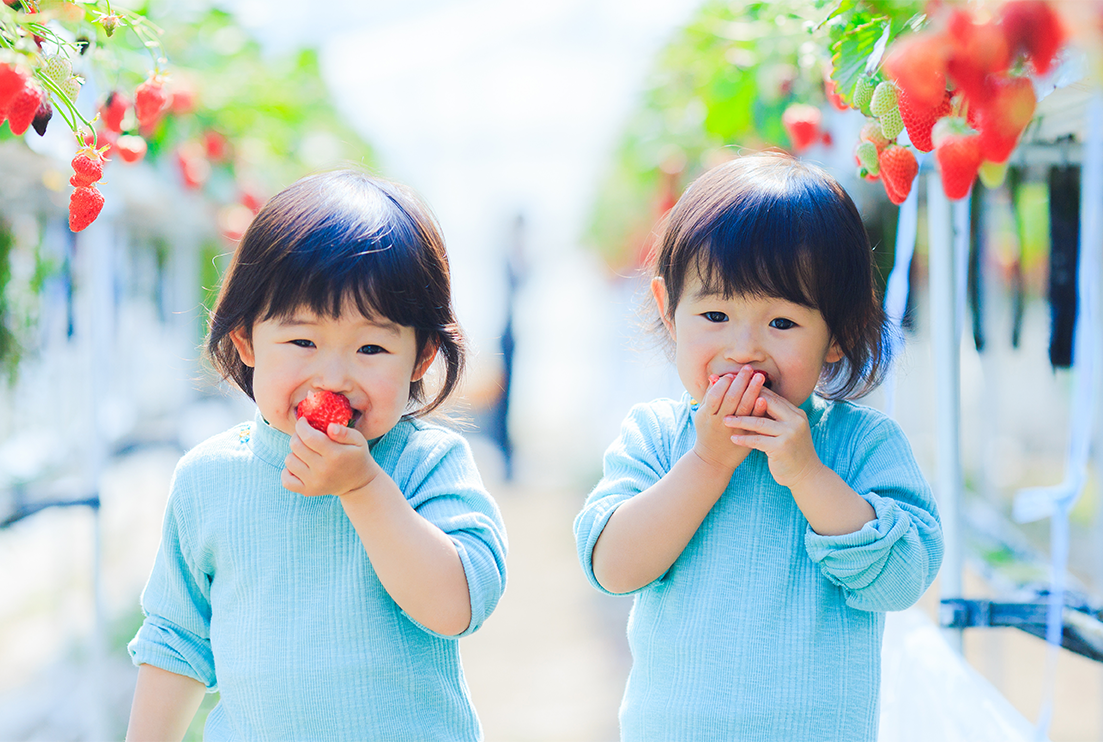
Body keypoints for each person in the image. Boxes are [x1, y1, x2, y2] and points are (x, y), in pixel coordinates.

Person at [125, 169, 508, 741]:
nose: (333, 376)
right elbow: (176, 640)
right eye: (302, 341)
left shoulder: (426, 464)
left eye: (371, 347)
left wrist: (363, 488)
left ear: (422, 358)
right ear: (247, 341)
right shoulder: (208, 479)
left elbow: (457, 605)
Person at [574, 152, 943, 742]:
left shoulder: (862, 446)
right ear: (670, 312)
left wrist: (807, 473)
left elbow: (899, 582)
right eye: (715, 314)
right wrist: (706, 463)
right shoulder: (657, 437)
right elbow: (613, 568)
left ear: (837, 336)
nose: (743, 349)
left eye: (782, 323)